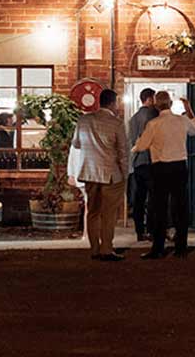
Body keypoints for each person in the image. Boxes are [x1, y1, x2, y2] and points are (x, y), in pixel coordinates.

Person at [132, 90, 195, 258]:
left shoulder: (154, 124)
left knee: (159, 208)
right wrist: (188, 108)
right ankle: (181, 247)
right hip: (179, 166)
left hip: (160, 167)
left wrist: (134, 146)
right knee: (180, 207)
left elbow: (141, 146)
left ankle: (158, 248)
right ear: (170, 104)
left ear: (156, 105)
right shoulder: (181, 121)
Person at [69, 88, 131, 261]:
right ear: (112, 103)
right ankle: (106, 248)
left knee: (93, 211)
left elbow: (76, 143)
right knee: (109, 213)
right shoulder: (116, 123)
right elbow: (123, 152)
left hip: (89, 172)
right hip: (110, 173)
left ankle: (94, 248)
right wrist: (125, 174)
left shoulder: (83, 120)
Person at [126, 88, 158, 241]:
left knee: (139, 198)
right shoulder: (153, 114)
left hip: (138, 162)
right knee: (153, 198)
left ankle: (139, 231)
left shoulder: (133, 119)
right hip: (152, 161)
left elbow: (131, 142)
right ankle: (152, 229)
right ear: (150, 99)